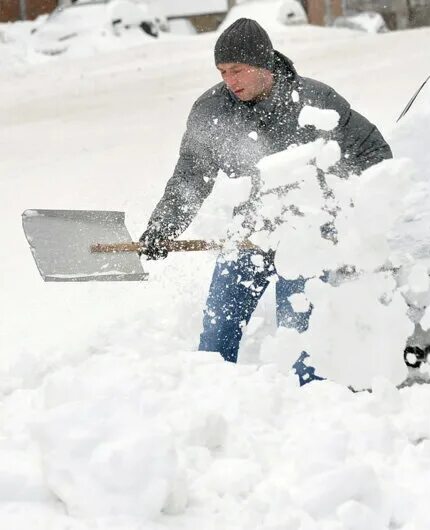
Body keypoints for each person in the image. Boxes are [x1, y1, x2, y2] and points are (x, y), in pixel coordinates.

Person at [138, 18, 392, 384]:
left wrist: (356, 214)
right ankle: (211, 399)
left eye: (237, 70)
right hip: (249, 234)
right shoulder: (211, 112)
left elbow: (373, 154)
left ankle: (309, 408)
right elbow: (190, 178)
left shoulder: (315, 101)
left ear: (263, 65)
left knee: (301, 336)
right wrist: (162, 228)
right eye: (223, 72)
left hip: (306, 237)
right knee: (217, 329)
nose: (230, 81)